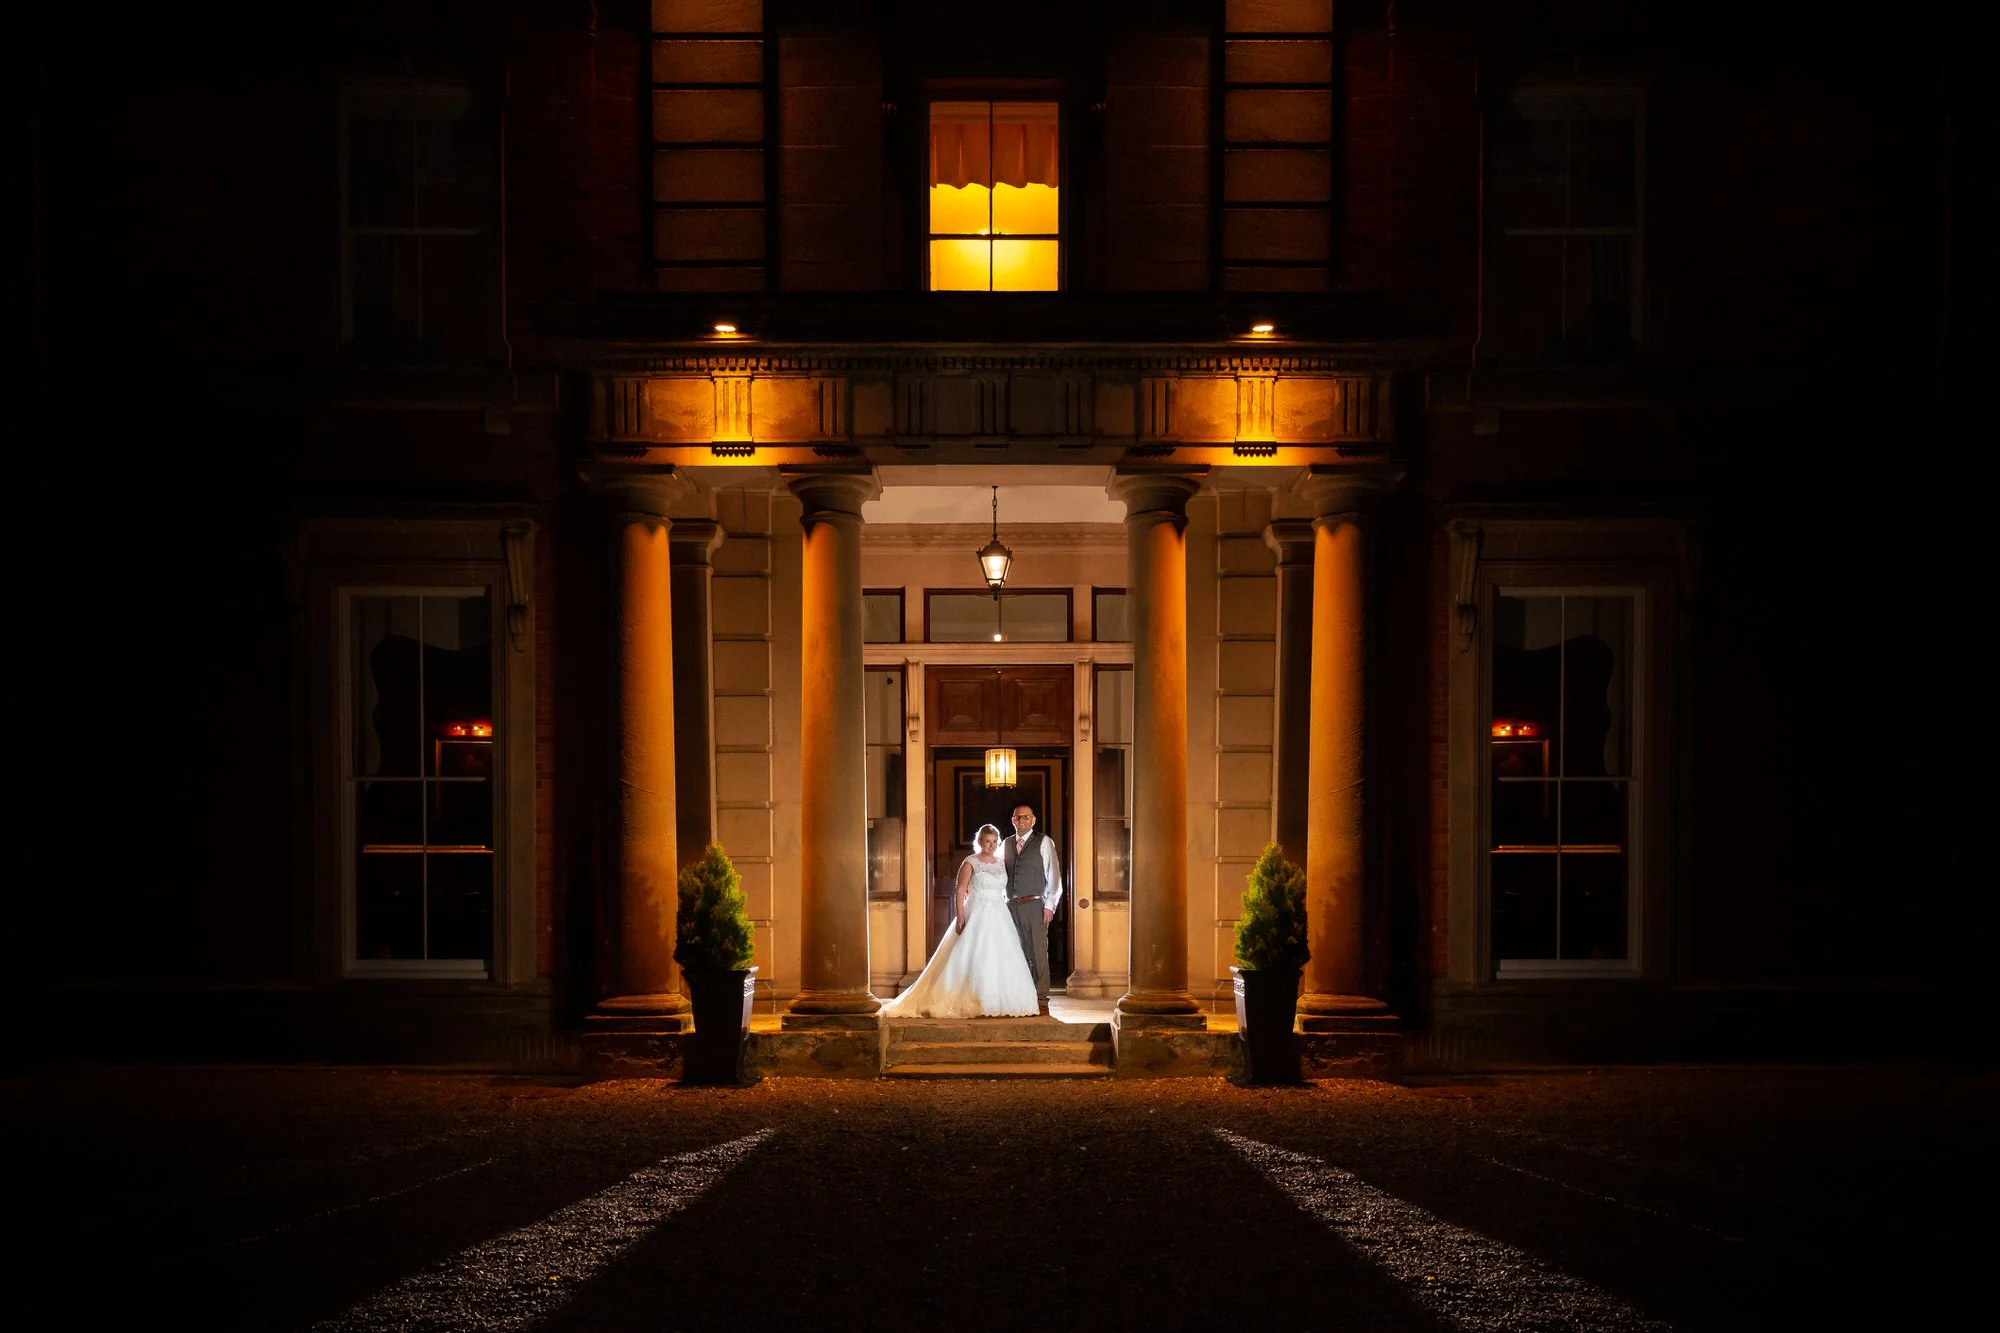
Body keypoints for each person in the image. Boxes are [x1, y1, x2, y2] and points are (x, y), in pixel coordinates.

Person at [879, 824, 1039, 1019]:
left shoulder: (1001, 862)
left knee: (1001, 956)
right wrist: (961, 916)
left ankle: (997, 1000)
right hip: (977, 911)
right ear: (980, 842)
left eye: (994, 842)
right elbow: (961, 889)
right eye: (987, 841)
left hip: (999, 914)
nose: (991, 845)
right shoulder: (971, 862)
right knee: (970, 954)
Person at [1002, 803, 1063, 1016]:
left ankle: (1041, 999)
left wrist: (1050, 906)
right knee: (1016, 952)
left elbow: (1053, 875)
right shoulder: (1006, 844)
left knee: (1037, 953)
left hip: (1035, 905)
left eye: (1026, 817)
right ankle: (1022, 997)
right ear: (1013, 820)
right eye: (1018, 817)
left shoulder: (1044, 842)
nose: (1022, 820)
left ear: (1033, 820)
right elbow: (998, 873)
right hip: (1011, 907)